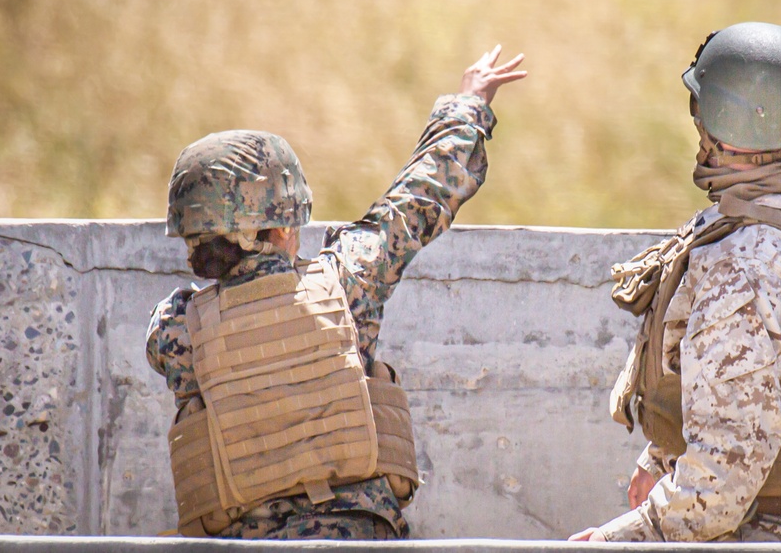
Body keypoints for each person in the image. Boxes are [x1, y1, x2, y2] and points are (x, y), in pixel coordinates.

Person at [146, 45, 526, 540]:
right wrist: (467, 102)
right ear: (280, 226)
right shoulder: (348, 280)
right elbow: (423, 193)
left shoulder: (175, 330)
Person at [570, 22, 781, 543]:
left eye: (703, 111)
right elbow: (752, 388)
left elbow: (721, 483)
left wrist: (619, 539)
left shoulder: (744, 268)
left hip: (745, 537)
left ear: (730, 125)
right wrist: (662, 454)